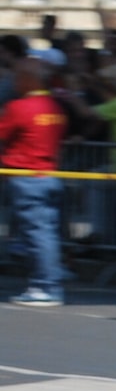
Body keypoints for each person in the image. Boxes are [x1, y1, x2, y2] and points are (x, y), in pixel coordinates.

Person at [0, 57, 69, 307]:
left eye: (17, 76)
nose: (13, 81)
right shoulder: (55, 108)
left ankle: (46, 286)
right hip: (49, 175)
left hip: (27, 178)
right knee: (45, 232)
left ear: (28, 79)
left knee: (38, 234)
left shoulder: (21, 107)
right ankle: (46, 281)